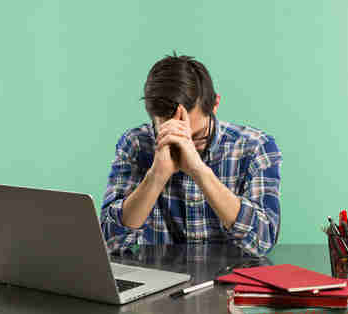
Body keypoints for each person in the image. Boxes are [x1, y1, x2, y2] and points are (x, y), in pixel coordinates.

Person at [100, 53, 283, 256]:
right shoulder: (136, 143)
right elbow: (110, 243)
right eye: (171, 135)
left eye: (195, 138)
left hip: (232, 280)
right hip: (161, 279)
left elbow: (262, 242)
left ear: (215, 104)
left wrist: (199, 170)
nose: (184, 147)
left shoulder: (256, 147)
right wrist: (156, 176)